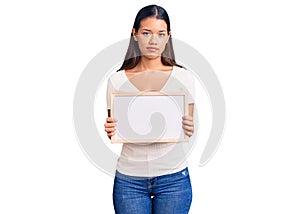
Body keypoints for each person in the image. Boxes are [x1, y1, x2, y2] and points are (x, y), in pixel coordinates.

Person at [104, 4, 195, 214]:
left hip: (174, 179)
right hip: (129, 180)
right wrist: (109, 129)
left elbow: (188, 131)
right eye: (146, 33)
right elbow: (114, 132)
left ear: (168, 36)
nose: (154, 41)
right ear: (135, 34)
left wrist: (189, 126)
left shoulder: (183, 78)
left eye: (160, 34)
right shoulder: (116, 81)